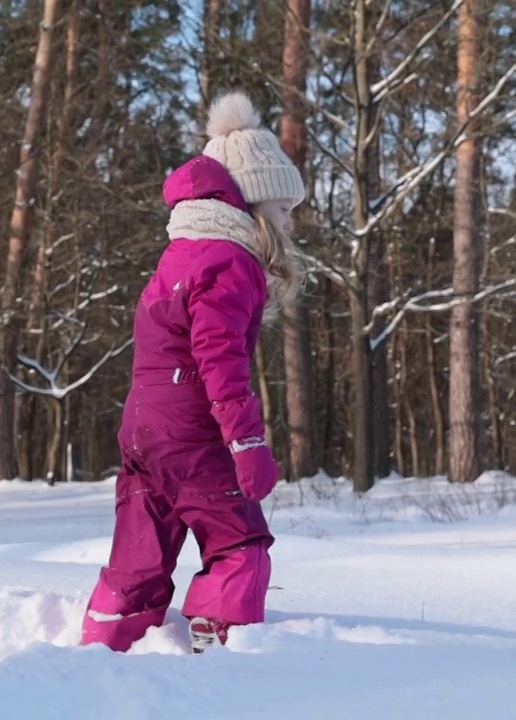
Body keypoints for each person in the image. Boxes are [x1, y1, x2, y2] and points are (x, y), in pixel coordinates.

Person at [80, 91, 307, 654]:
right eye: (283, 209)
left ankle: (108, 639)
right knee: (240, 538)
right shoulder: (232, 262)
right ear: (253, 206)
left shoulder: (178, 254)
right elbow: (219, 362)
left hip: (141, 428)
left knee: (141, 548)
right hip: (193, 429)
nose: (289, 221)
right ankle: (219, 636)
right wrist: (247, 441)